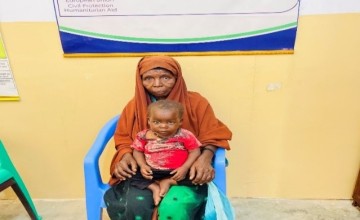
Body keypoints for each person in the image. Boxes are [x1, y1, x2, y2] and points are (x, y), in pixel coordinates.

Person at [104, 55, 232, 220]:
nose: (157, 84)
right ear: (140, 79)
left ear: (177, 78)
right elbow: (124, 138)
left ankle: (171, 184)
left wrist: (204, 158)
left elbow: (212, 133)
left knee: (176, 206)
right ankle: (152, 188)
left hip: (183, 172)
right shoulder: (134, 106)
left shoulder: (197, 102)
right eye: (148, 78)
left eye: (165, 77)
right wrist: (125, 155)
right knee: (136, 205)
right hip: (147, 173)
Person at [130, 99, 201, 206]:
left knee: (197, 177)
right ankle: (154, 187)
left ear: (180, 122)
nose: (163, 126)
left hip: (177, 172)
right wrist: (143, 165)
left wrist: (185, 168)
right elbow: (137, 151)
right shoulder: (143, 136)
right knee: (130, 175)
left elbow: (195, 151)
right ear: (149, 121)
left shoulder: (185, 135)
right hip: (152, 171)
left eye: (170, 122)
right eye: (157, 122)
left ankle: (169, 182)